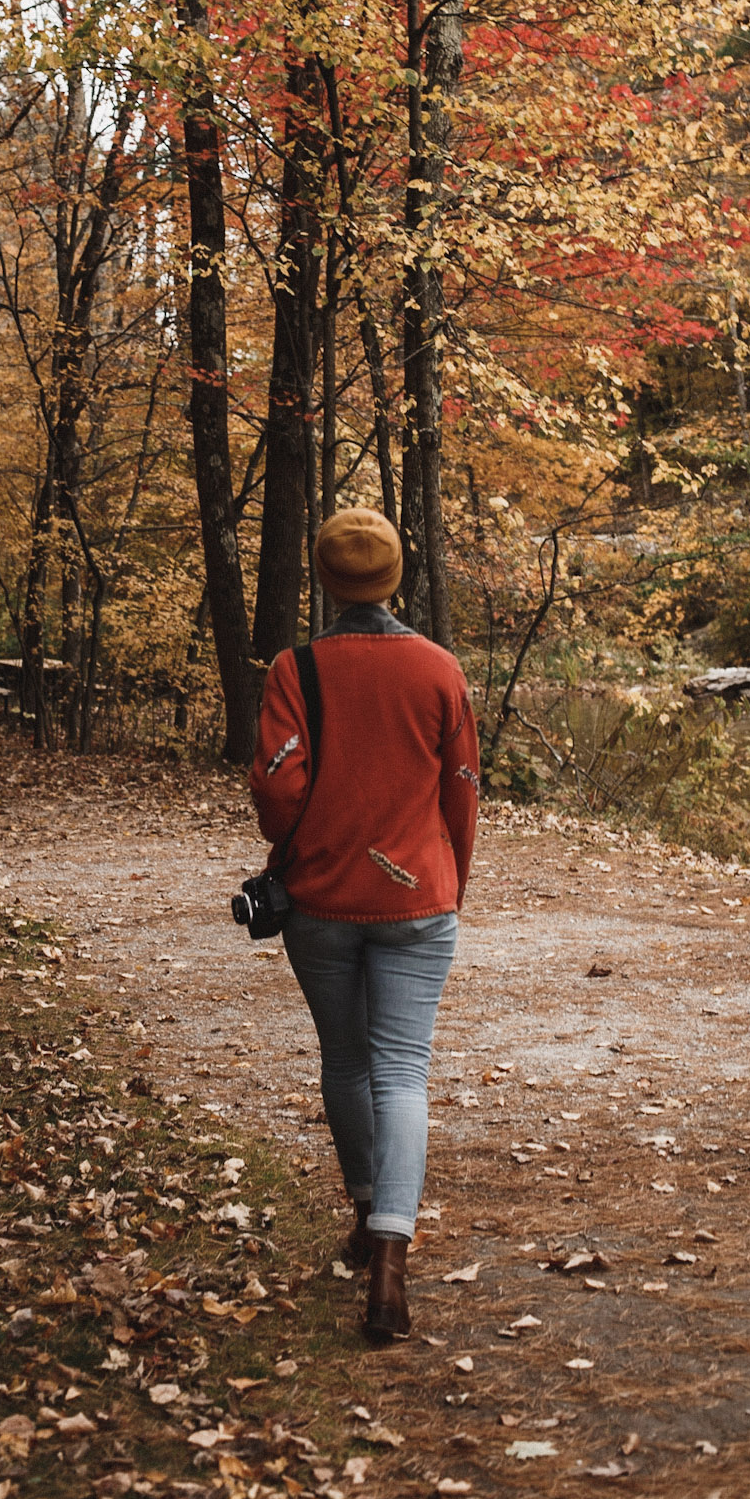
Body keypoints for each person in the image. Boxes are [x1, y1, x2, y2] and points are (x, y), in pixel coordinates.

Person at [249, 508, 479, 1343]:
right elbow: (462, 788)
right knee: (403, 1075)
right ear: (396, 576)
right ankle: (389, 1253)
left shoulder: (294, 669)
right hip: (421, 899)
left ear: (323, 579)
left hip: (319, 900)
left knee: (346, 1061)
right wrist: (452, 879)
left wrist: (293, 841)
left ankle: (363, 1211)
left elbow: (277, 791)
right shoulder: (438, 669)